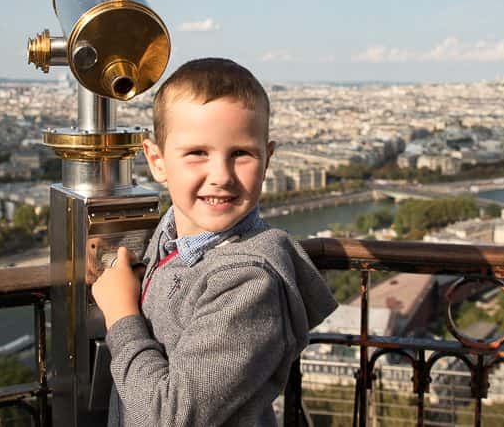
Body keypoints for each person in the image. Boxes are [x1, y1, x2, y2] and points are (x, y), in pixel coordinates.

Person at [92, 57, 338, 426]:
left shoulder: (248, 283)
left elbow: (169, 418)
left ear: (267, 159)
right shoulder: (174, 228)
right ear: (157, 162)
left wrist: (120, 314)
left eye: (240, 154)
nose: (220, 176)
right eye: (197, 154)